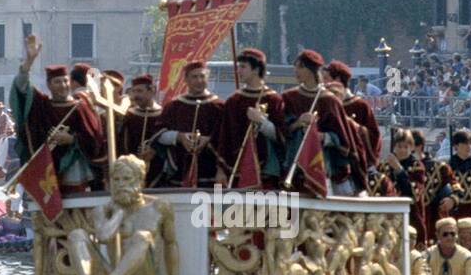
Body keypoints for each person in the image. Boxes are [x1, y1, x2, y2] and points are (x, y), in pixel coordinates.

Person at [9, 35, 106, 193]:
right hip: (47, 171)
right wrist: (29, 62)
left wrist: (72, 139)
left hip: (75, 169)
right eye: (57, 82)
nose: (62, 85)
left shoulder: (81, 106)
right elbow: (21, 88)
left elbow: (94, 139)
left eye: (65, 81)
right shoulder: (42, 105)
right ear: (49, 84)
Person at [280, 49, 361, 195]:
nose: (295, 71)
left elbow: (343, 141)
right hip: (292, 164)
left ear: (311, 70)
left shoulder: (329, 100)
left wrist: (322, 137)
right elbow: (281, 130)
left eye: (300, 67)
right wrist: (298, 123)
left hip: (321, 166)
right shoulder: (288, 97)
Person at [216, 48, 287, 189]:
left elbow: (281, 136)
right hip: (237, 168)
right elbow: (224, 137)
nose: (239, 71)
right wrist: (221, 169)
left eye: (243, 67)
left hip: (266, 171)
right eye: (238, 67)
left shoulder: (273, 99)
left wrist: (261, 122)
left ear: (256, 69)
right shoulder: (234, 100)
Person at [152, 61, 224, 188]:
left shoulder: (218, 107)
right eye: (194, 77)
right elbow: (160, 134)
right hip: (179, 170)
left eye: (202, 76)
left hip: (210, 171)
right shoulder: (174, 106)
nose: (199, 80)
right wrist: (179, 137)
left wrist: (208, 140)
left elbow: (227, 137)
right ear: (185, 79)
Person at [115, 73, 162, 169]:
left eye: (140, 91)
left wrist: (155, 151)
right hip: (131, 168)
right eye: (134, 91)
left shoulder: (163, 115)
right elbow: (123, 144)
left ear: (151, 91)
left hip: (157, 167)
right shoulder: (130, 115)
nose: (136, 95)